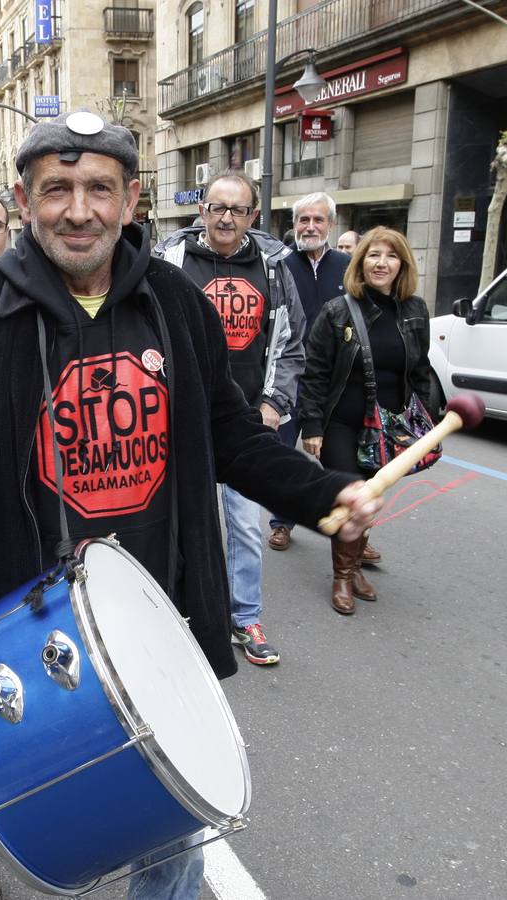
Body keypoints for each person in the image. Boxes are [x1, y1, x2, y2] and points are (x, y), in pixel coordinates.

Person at [0, 113, 379, 899]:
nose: (79, 210)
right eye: (57, 189)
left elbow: (231, 434)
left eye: (99, 189)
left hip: (159, 600)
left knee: (171, 793)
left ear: (131, 199)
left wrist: (324, 493)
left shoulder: (177, 304)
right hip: (21, 600)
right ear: (25, 200)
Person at [155, 172, 304, 666]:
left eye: (237, 210)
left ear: (253, 216)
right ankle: (172, 616)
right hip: (181, 421)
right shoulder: (171, 263)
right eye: (217, 207)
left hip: (244, 422)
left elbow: (290, 345)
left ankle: (246, 618)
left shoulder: (273, 268)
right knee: (176, 523)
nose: (225, 218)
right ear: (202, 210)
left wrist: (272, 406)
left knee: (244, 528)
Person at [299, 226, 433, 615]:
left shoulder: (415, 310)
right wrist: (312, 426)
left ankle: (355, 566)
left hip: (390, 427)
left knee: (371, 496)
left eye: (391, 256)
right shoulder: (337, 311)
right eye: (374, 255)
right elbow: (315, 373)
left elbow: (420, 372)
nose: (381, 263)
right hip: (341, 423)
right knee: (352, 493)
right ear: (361, 262)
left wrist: (424, 425)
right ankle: (343, 577)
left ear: (402, 265)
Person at [266, 193, 354, 554]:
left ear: (331, 224)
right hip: (291, 379)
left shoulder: (348, 266)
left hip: (333, 383)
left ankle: (351, 533)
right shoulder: (280, 265)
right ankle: (281, 522)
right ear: (294, 224)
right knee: (283, 457)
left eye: (318, 220)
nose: (311, 227)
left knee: (340, 459)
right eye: (304, 220)